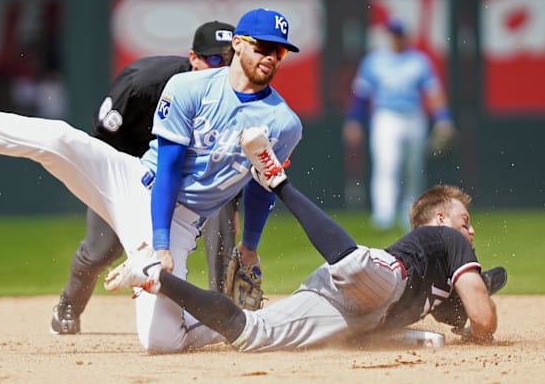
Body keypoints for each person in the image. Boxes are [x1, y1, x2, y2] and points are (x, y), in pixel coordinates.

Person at [0, 8, 303, 353]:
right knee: (57, 138)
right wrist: (159, 247)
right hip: (133, 180)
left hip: (182, 219)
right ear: (239, 45)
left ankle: (241, 320)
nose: (271, 57)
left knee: (159, 342)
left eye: (279, 51)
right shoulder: (187, 87)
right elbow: (169, 170)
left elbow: (263, 186)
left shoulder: (283, 123)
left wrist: (248, 249)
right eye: (262, 46)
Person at [104, 126, 497, 352]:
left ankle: (154, 276)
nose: (471, 229)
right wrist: (478, 329)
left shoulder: (437, 283)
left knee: (251, 333)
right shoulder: (448, 238)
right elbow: (482, 319)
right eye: (466, 220)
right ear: (442, 219)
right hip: (382, 276)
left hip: (349, 306)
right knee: (356, 265)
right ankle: (277, 180)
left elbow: (413, 321)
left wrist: (420, 333)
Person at [50, 20, 243, 335]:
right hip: (127, 162)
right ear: (193, 57)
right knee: (103, 250)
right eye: (215, 59)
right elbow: (103, 137)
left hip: (186, 169)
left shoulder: (235, 96)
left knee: (220, 214)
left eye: (230, 59)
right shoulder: (144, 82)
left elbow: (228, 163)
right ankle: (69, 303)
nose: (223, 67)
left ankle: (221, 308)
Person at [343, 17, 456, 231]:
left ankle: (410, 213)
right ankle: (383, 214)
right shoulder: (375, 60)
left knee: (413, 168)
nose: (396, 38)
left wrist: (443, 118)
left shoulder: (418, 61)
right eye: (393, 34)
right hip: (386, 117)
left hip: (413, 116)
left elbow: (433, 92)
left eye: (399, 34)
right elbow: (361, 94)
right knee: (387, 164)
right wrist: (354, 120)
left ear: (406, 36)